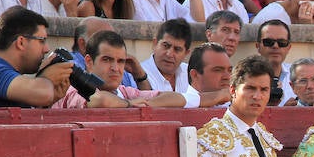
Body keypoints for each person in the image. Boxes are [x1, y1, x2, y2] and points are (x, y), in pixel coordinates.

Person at [53, 30, 220, 107]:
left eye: (120, 61)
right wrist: (128, 105)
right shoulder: (70, 89)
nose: (115, 68)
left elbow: (175, 98)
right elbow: (98, 100)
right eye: (107, 60)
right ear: (88, 61)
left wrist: (147, 103)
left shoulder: (123, 91)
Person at [0, 6, 74, 120]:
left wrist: (45, 102)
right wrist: (47, 78)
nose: (46, 49)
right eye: (41, 41)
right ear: (21, 42)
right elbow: (44, 93)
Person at [70, 16, 146, 88]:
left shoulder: (120, 67)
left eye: (112, 38)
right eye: (102, 38)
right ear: (82, 44)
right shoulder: (69, 66)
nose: (115, 68)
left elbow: (145, 97)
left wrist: (139, 75)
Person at [141, 18, 192, 92]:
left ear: (186, 53)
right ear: (155, 44)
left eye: (177, 49)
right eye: (166, 46)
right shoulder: (139, 75)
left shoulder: (191, 74)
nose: (169, 54)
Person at [255, 19, 295, 104]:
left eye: (282, 42)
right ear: (258, 46)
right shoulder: (244, 76)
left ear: (289, 48)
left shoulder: (298, 75)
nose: (275, 46)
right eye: (269, 42)